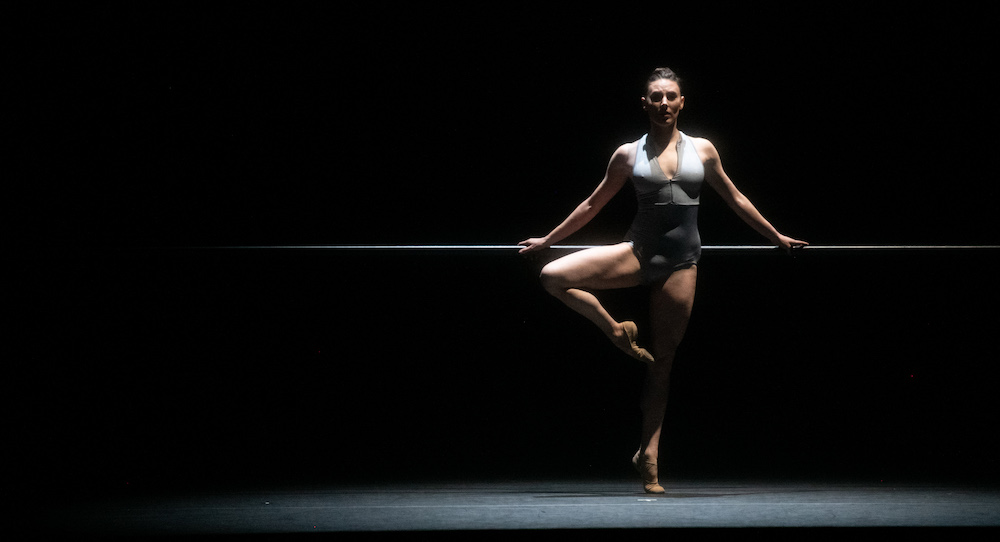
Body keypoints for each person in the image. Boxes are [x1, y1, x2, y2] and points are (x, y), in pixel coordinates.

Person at [518, 67, 808, 494]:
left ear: (682, 102)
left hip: (681, 264)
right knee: (551, 275)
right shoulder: (626, 154)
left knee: (662, 364)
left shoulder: (703, 150)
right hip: (637, 254)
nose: (664, 103)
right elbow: (593, 203)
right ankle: (616, 330)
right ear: (645, 103)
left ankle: (649, 455)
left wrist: (775, 236)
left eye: (671, 96)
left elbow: (736, 197)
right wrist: (548, 239)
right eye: (656, 97)